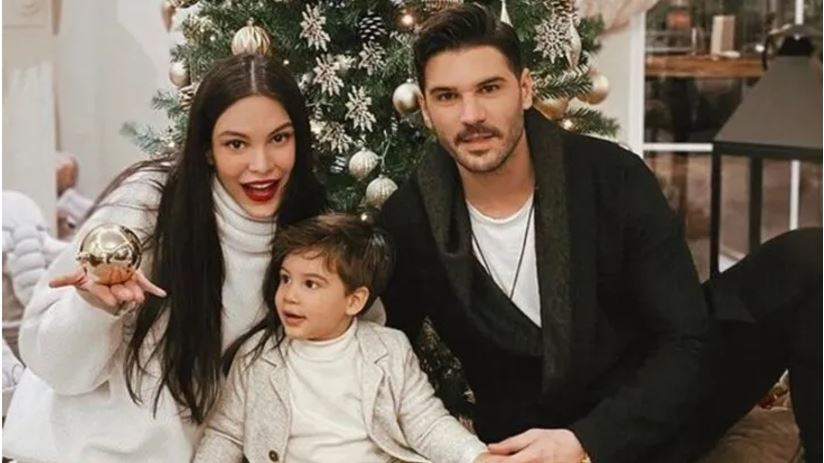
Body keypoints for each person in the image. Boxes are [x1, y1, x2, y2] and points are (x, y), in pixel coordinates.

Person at [377, 4, 821, 463]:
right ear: (425, 110)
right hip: (529, 445)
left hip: (653, 412)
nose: (471, 115)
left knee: (808, 259)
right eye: (447, 97)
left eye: (489, 88)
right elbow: (376, 355)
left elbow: (685, 337)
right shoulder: (410, 220)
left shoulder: (612, 176)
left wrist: (588, 441)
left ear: (525, 89)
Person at [3, 53, 327, 463]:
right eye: (236, 144)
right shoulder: (149, 205)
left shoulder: (312, 231)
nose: (262, 165)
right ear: (207, 150)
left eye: (279, 139)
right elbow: (53, 367)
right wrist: (92, 310)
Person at [194, 213, 498, 463]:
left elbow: (426, 423)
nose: (289, 296)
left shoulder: (388, 349)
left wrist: (475, 456)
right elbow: (226, 433)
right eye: (286, 279)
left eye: (311, 284)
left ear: (354, 301)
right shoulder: (258, 356)